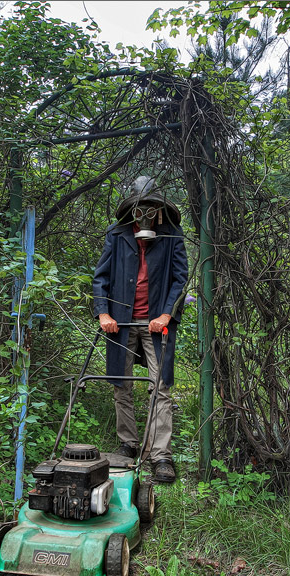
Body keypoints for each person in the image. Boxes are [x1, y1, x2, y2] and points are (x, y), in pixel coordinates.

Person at [92, 176, 188, 483]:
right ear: (131, 210)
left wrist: (166, 314)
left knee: (160, 387)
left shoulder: (171, 236)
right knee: (121, 384)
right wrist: (103, 312)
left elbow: (180, 279)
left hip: (157, 322)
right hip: (121, 321)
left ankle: (160, 455)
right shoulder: (117, 235)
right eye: (139, 208)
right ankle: (129, 443)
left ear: (159, 210)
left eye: (150, 208)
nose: (145, 214)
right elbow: (101, 278)